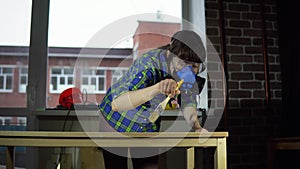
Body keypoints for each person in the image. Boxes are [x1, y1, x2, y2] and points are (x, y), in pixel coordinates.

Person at [98, 30, 208, 169]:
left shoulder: (187, 75)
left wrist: (197, 127)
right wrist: (157, 88)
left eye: (194, 65)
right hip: (115, 120)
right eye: (183, 63)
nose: (188, 70)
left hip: (145, 124)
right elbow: (117, 104)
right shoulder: (149, 63)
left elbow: (188, 102)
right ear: (169, 55)